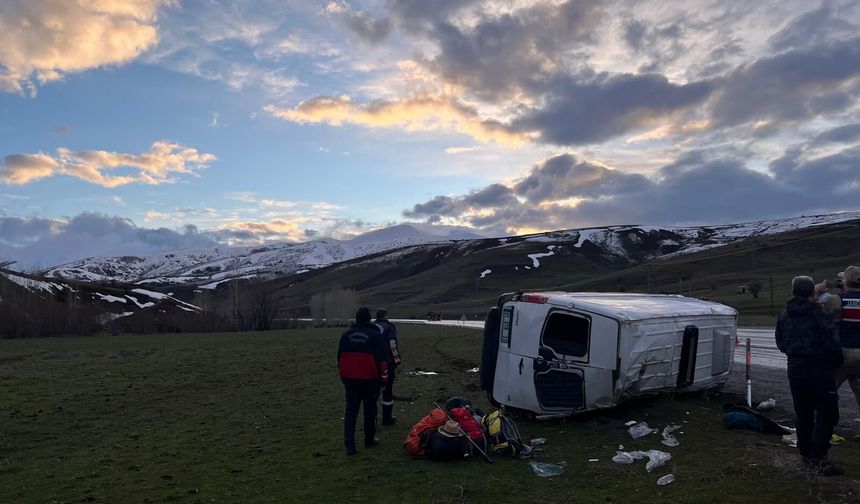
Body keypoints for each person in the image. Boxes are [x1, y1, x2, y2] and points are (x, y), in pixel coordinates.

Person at [775, 276, 844, 476]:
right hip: (820, 371)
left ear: (793, 292)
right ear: (812, 293)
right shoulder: (819, 314)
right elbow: (833, 343)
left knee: (803, 414)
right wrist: (835, 363)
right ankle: (820, 458)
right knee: (828, 414)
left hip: (795, 370)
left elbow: (780, 343)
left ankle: (806, 457)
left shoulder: (784, 315)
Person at [337, 307, 388, 455]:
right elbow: (382, 361)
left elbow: (339, 358)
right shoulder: (375, 335)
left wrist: (343, 377)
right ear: (368, 319)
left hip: (350, 380)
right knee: (370, 410)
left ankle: (350, 445)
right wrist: (383, 381)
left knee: (351, 412)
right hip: (370, 380)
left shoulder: (346, 335)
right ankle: (369, 439)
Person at [834, 266, 860, 414]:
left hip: (844, 353)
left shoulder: (839, 300)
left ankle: (823, 427)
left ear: (846, 282)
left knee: (828, 389)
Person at [375, 308, 401, 425]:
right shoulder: (390, 327)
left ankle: (372, 419)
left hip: (373, 362)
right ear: (385, 316)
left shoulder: (372, 327)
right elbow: (392, 344)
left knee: (373, 392)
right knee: (387, 390)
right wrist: (397, 360)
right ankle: (387, 418)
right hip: (387, 362)